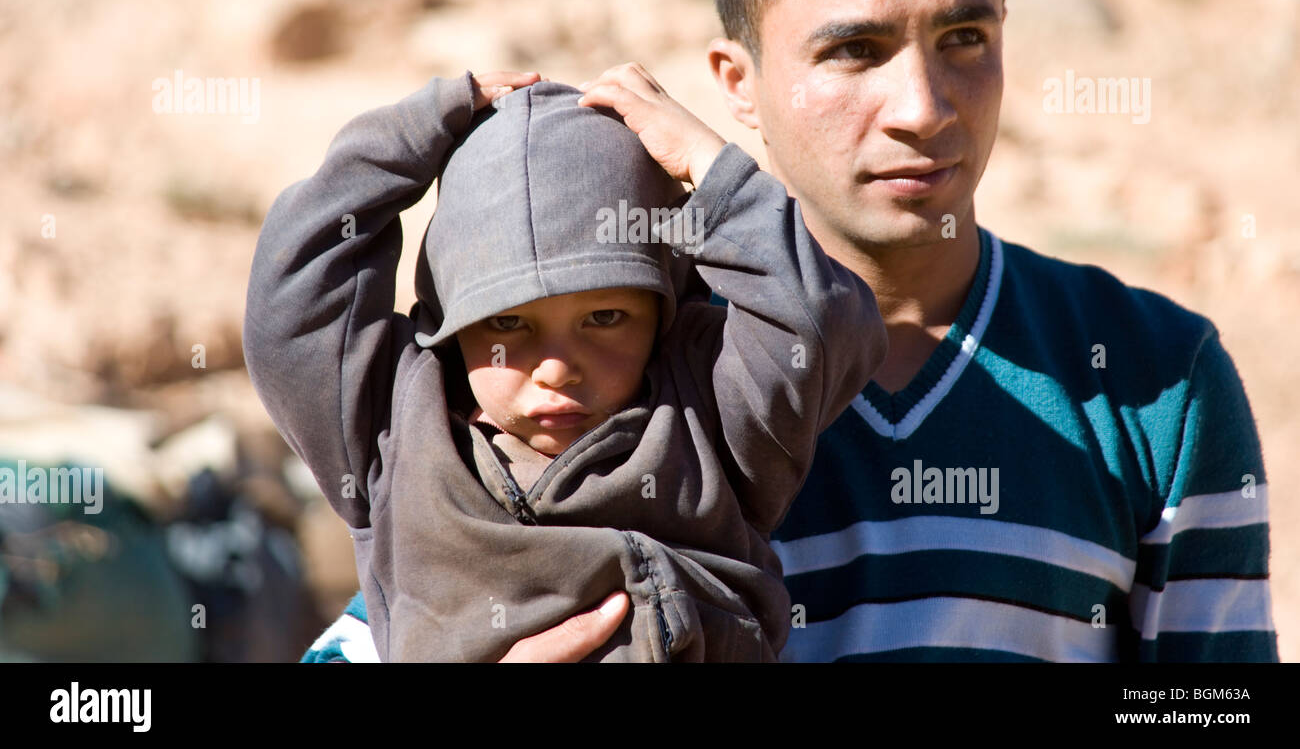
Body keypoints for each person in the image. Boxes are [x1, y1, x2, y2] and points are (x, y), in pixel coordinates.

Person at [301, 0, 1279, 662]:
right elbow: (410, 604)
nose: (922, 105)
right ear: (737, 84)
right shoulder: (624, 360)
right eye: (854, 50)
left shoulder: (1155, 379)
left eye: (963, 39)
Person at [243, 67, 885, 661]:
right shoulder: (392, 432)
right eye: (505, 323)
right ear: (448, 324)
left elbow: (815, 322)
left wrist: (713, 173)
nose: (555, 368)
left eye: (605, 319)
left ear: (664, 311)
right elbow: (288, 312)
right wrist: (415, 131)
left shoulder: (711, 414)